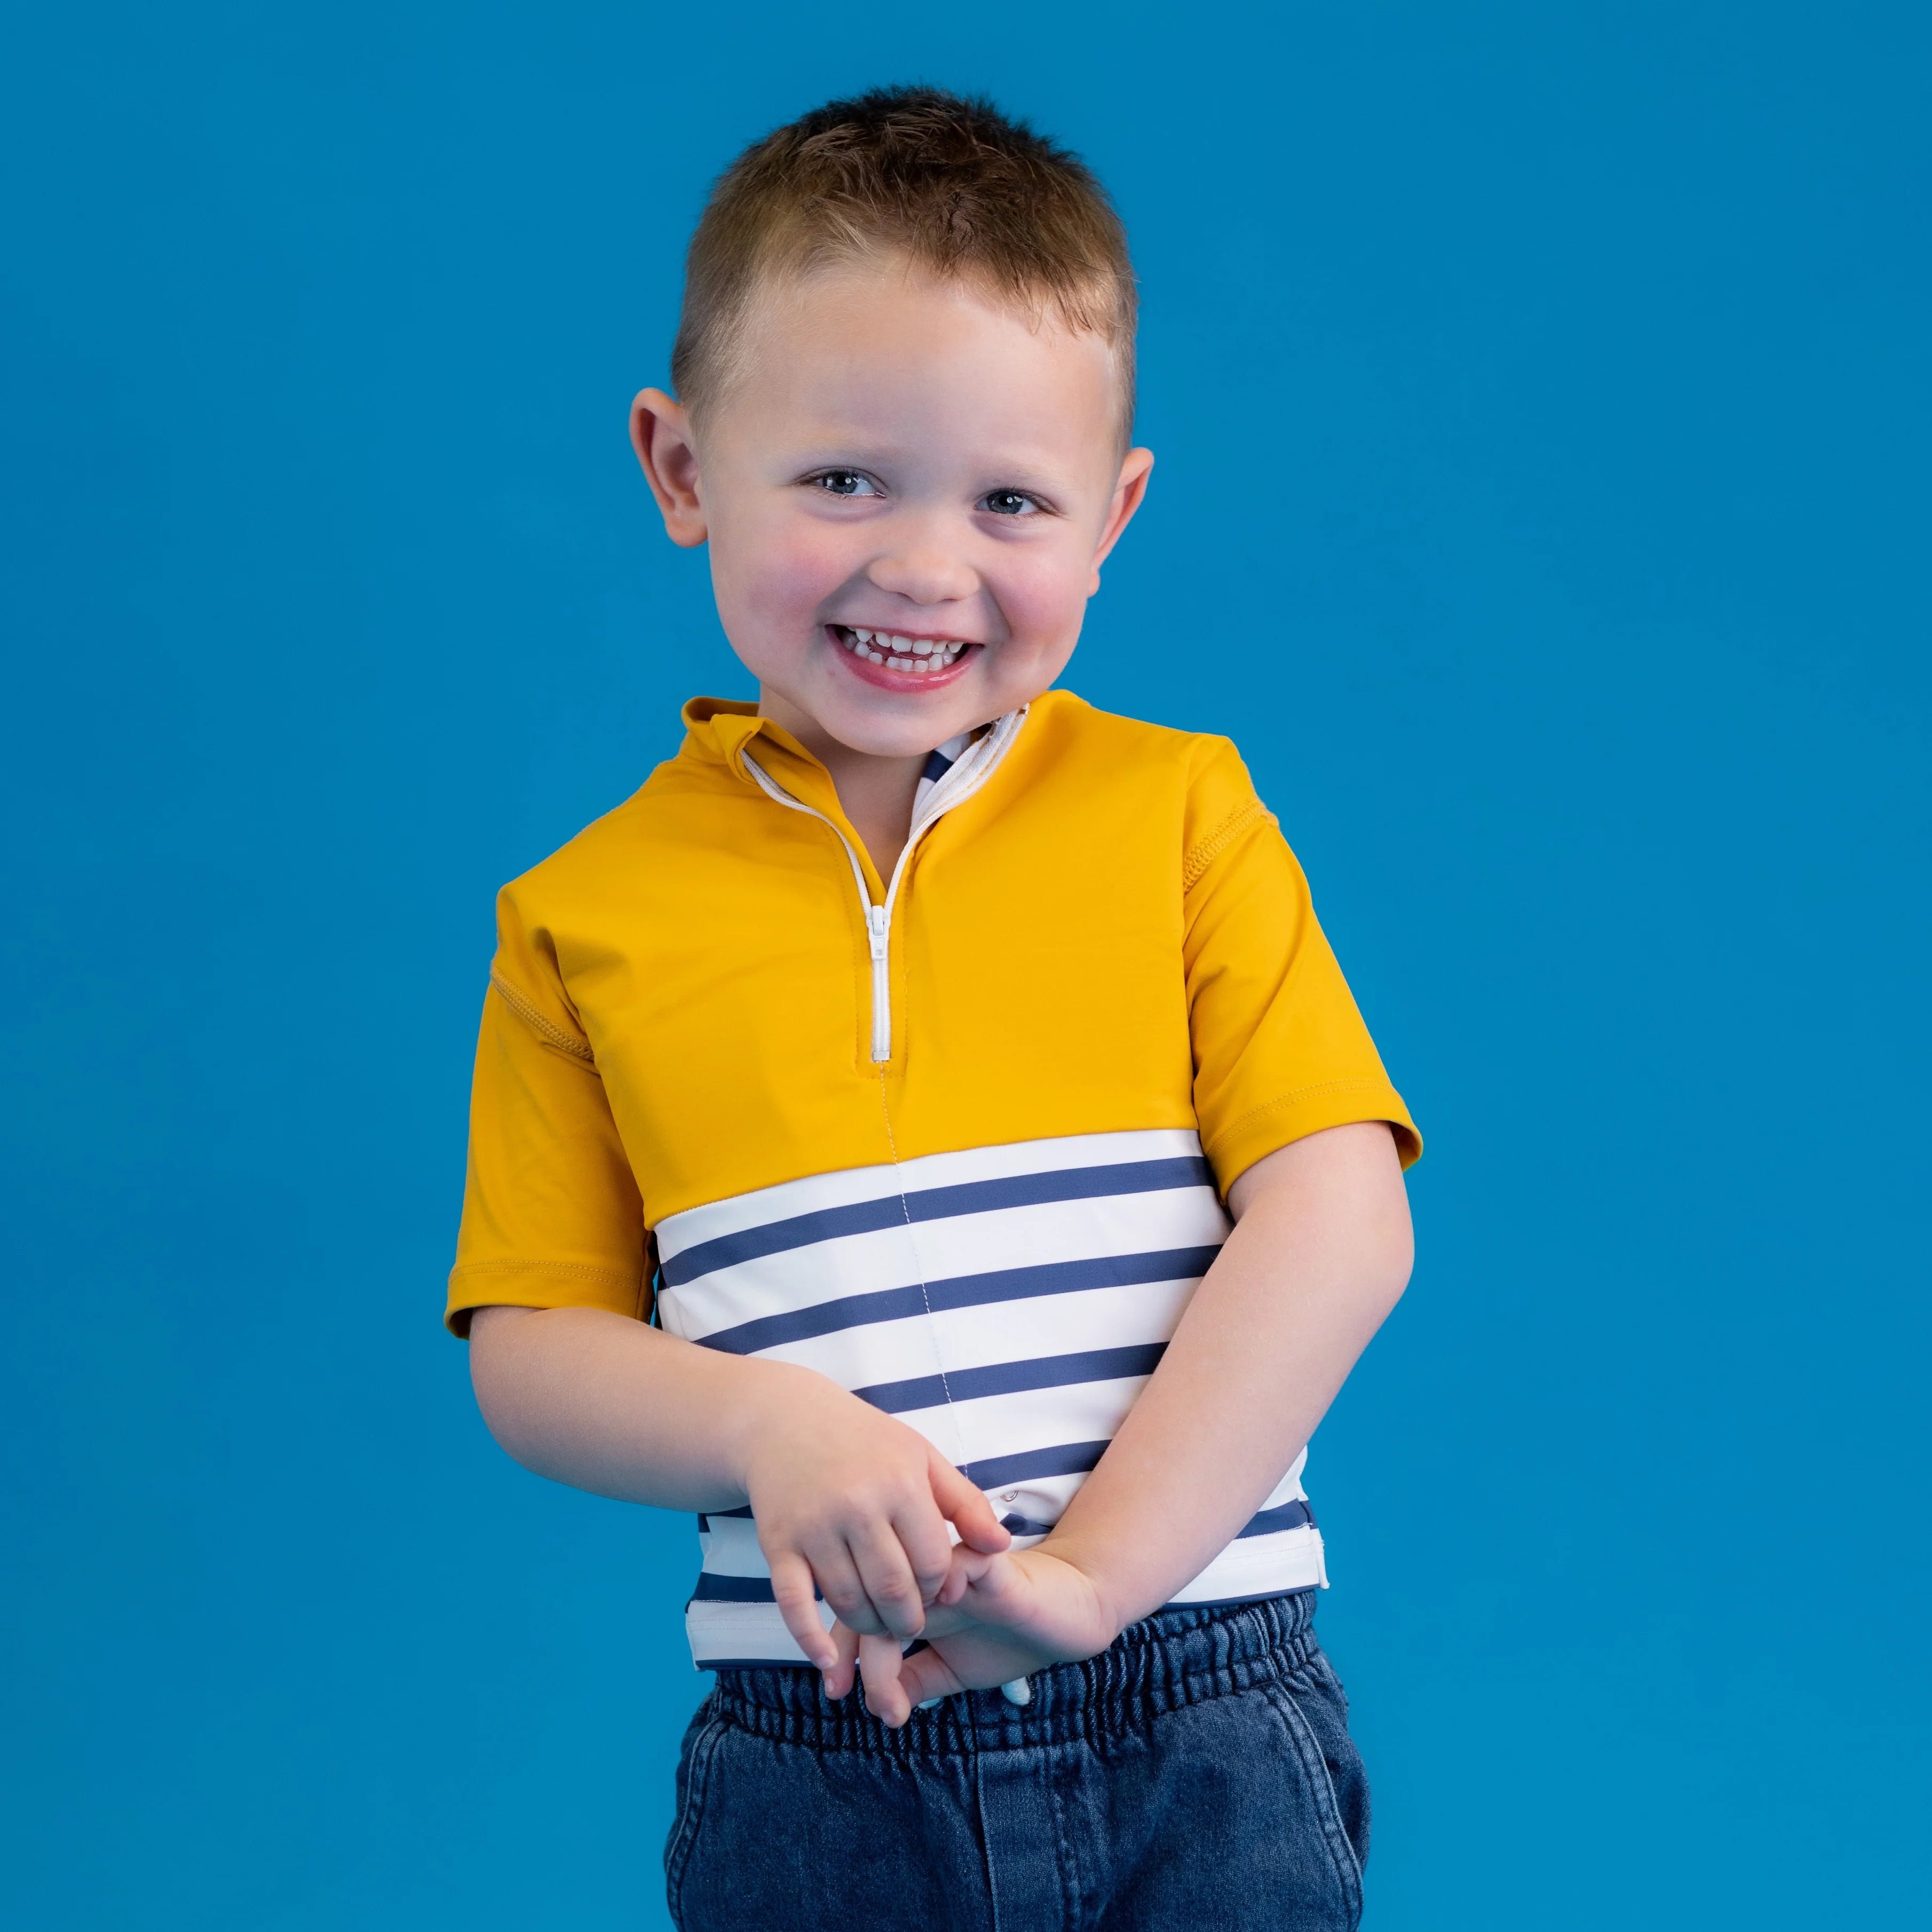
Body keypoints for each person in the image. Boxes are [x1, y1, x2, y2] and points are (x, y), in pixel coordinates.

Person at [448, 84, 1421, 1931]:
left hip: (1197, 1706)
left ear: (1112, 514)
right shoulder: (583, 919)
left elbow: (1340, 1208)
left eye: (1009, 500)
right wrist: (763, 1426)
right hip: (819, 1755)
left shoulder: (1179, 816)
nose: (921, 564)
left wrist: (1095, 1575)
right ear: (677, 467)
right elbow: (530, 1346)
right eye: (840, 478)